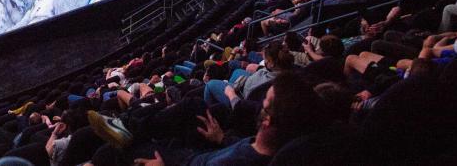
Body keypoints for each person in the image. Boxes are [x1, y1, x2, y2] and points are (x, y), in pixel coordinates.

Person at [135, 72, 327, 166]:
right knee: (193, 104)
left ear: (267, 120)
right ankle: (133, 124)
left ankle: (130, 126)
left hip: (187, 161)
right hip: (212, 148)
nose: (259, 103)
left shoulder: (242, 162)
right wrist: (222, 138)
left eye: (265, 101)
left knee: (123, 149)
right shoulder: (264, 145)